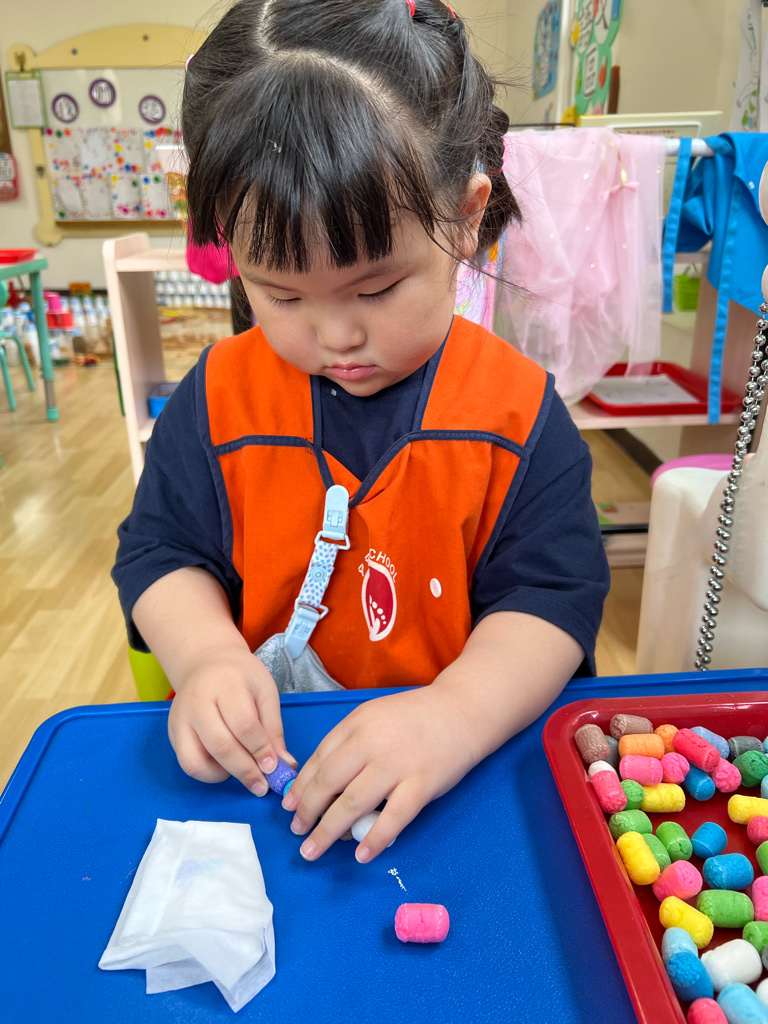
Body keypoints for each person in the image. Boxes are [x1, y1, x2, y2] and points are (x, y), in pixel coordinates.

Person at [113, 0, 609, 865]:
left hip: (467, 778)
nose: (337, 335)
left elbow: (551, 600)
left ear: (467, 215)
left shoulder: (517, 414)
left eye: (376, 289)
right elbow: (160, 553)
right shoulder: (218, 398)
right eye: (281, 294)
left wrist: (454, 715)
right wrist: (205, 659)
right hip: (275, 781)